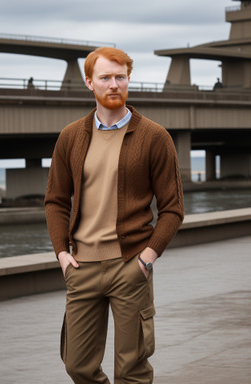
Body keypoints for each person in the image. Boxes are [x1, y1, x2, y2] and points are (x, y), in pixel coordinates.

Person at [45, 47, 184, 384]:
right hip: (82, 268)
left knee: (131, 370)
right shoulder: (70, 137)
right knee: (77, 365)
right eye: (105, 77)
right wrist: (62, 254)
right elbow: (56, 201)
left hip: (130, 266)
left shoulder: (154, 137)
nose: (113, 84)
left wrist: (146, 259)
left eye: (120, 77)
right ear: (89, 82)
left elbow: (173, 208)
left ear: (128, 80)